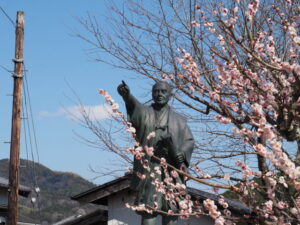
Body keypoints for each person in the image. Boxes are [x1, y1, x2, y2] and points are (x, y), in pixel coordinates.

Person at [118, 80, 194, 225]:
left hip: (171, 169)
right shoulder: (145, 112)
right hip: (149, 167)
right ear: (152, 94)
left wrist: (181, 153)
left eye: (163, 91)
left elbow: (189, 141)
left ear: (170, 94)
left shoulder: (179, 120)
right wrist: (127, 96)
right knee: (148, 210)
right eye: (156, 91)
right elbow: (135, 108)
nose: (159, 94)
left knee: (172, 210)